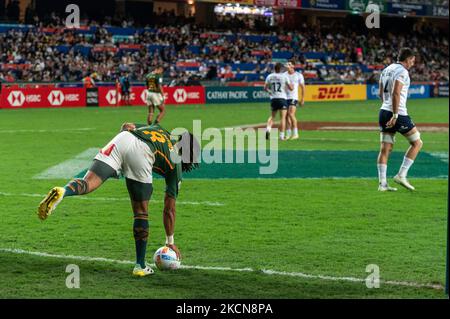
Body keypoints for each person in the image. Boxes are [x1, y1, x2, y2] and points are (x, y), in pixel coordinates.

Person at [37, 122, 200, 277]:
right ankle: (140, 266)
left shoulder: (158, 129)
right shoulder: (176, 165)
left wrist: (121, 161)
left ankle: (63, 191)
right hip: (142, 152)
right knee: (141, 212)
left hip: (123, 139)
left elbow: (127, 126)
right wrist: (169, 241)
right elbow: (169, 209)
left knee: (88, 183)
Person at [377, 47, 423, 192]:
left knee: (385, 149)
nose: (413, 63)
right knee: (417, 142)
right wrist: (395, 114)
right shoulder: (402, 71)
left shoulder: (386, 69)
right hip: (398, 114)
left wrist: (388, 107)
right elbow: (396, 92)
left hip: (383, 111)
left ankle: (382, 185)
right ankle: (401, 175)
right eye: (412, 60)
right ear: (408, 59)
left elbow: (380, 93)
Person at [264, 63, 293, 140]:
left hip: (273, 98)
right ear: (281, 69)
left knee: (272, 117)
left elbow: (265, 88)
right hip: (282, 98)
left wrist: (270, 92)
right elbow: (291, 88)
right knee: (282, 118)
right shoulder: (284, 76)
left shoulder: (269, 76)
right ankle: (281, 136)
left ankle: (268, 129)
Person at [284, 62, 305, 140]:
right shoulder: (284, 75)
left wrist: (302, 98)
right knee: (286, 116)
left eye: (289, 64)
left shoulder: (298, 75)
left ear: (293, 66)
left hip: (293, 97)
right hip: (285, 97)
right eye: (287, 65)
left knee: (291, 114)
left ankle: (296, 133)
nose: (287, 66)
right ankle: (288, 134)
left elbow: (303, 87)